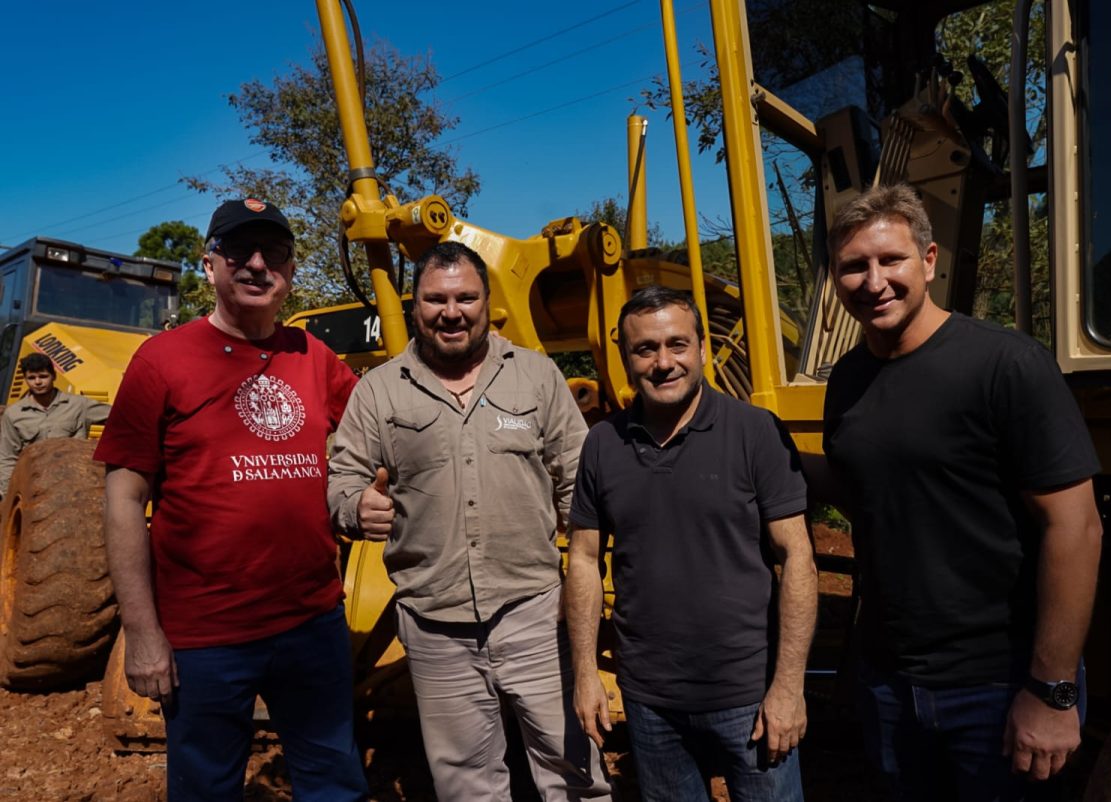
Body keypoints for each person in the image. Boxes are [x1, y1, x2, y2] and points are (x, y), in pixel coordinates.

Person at [819, 184, 1103, 801]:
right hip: (890, 682)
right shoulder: (847, 380)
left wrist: (1052, 692)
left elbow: (1076, 527)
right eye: (853, 267)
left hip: (997, 686)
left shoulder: (1007, 366)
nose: (873, 282)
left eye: (890, 260)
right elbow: (869, 493)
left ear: (928, 260)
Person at [96, 198, 368, 802]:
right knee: (206, 788)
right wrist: (142, 633)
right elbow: (123, 497)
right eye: (239, 251)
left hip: (312, 622)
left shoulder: (314, 356)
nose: (256, 264)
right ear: (209, 265)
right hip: (205, 635)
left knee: (334, 782)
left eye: (273, 252)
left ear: (290, 271)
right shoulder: (162, 360)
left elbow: (381, 429)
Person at [326, 241, 613, 801]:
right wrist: (354, 506)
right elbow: (342, 476)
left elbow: (578, 479)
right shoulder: (379, 390)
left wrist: (586, 566)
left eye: (465, 297)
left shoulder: (535, 377)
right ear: (416, 307)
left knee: (574, 769)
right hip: (434, 623)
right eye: (435, 299)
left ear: (486, 303)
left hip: (532, 611)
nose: (450, 311)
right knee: (466, 784)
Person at [566, 285, 818, 802]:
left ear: (702, 348)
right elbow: (586, 561)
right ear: (625, 358)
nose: (664, 362)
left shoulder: (755, 433)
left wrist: (789, 687)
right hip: (649, 700)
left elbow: (798, 559)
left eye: (677, 344)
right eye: (646, 349)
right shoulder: (603, 444)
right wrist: (587, 673)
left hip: (747, 697)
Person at [0, 352, 110, 496]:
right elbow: (7, 457)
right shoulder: (14, 414)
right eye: (32, 378)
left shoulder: (79, 405)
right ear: (26, 379)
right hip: (33, 486)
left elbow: (119, 416)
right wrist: (8, 494)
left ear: (54, 376)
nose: (38, 382)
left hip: (74, 483)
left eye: (43, 376)